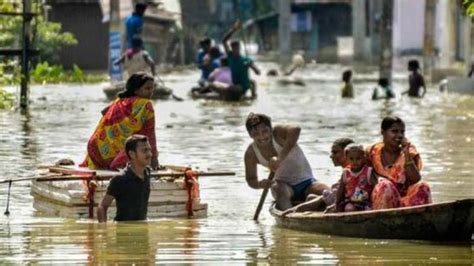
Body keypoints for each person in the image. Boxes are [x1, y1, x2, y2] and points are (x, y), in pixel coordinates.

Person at [244, 113, 329, 211]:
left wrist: (279, 159)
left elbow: (296, 129)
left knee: (328, 193)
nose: (262, 136)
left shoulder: (278, 133)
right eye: (256, 134)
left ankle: (314, 201)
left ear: (270, 129)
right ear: (250, 135)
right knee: (279, 189)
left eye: (265, 131)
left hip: (307, 182)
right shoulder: (251, 153)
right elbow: (251, 179)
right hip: (283, 187)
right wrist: (260, 184)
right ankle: (290, 214)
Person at [81, 72, 159, 170]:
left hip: (95, 148)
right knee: (139, 149)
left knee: (137, 146)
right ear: (136, 90)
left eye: (152, 88)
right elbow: (151, 135)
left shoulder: (121, 100)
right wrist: (155, 161)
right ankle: (118, 167)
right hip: (113, 156)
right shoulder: (147, 104)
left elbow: (104, 111)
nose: (151, 91)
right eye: (147, 88)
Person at [367, 116, 432, 209]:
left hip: (404, 201)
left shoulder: (409, 152)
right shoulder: (372, 151)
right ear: (383, 132)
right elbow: (357, 170)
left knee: (423, 186)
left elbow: (415, 179)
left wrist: (406, 154)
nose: (400, 135)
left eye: (402, 132)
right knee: (385, 185)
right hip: (381, 200)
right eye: (394, 131)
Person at [282, 138, 354, 214]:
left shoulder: (352, 171)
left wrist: (298, 208)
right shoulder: (346, 171)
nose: (331, 156)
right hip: (340, 201)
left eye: (335, 152)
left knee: (313, 200)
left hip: (348, 204)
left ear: (347, 153)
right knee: (311, 197)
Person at [97, 135, 152, 222]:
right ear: (132, 154)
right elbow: (102, 207)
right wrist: (103, 231)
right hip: (123, 230)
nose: (149, 154)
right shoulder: (120, 179)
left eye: (149, 150)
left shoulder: (147, 173)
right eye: (144, 151)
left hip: (142, 228)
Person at [223, 21, 261, 99]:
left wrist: (250, 65)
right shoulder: (230, 56)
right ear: (232, 49)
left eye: (237, 48)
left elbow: (258, 72)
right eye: (234, 48)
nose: (236, 50)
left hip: (242, 87)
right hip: (235, 84)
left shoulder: (246, 59)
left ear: (239, 48)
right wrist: (234, 29)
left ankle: (251, 96)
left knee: (252, 82)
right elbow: (224, 41)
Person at [334, 144, 377, 212]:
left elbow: (376, 187)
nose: (355, 162)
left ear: (363, 158)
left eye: (358, 158)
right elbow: (341, 190)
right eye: (351, 159)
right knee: (349, 208)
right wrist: (336, 203)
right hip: (350, 201)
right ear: (346, 158)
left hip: (366, 202)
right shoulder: (346, 173)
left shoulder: (368, 171)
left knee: (368, 210)